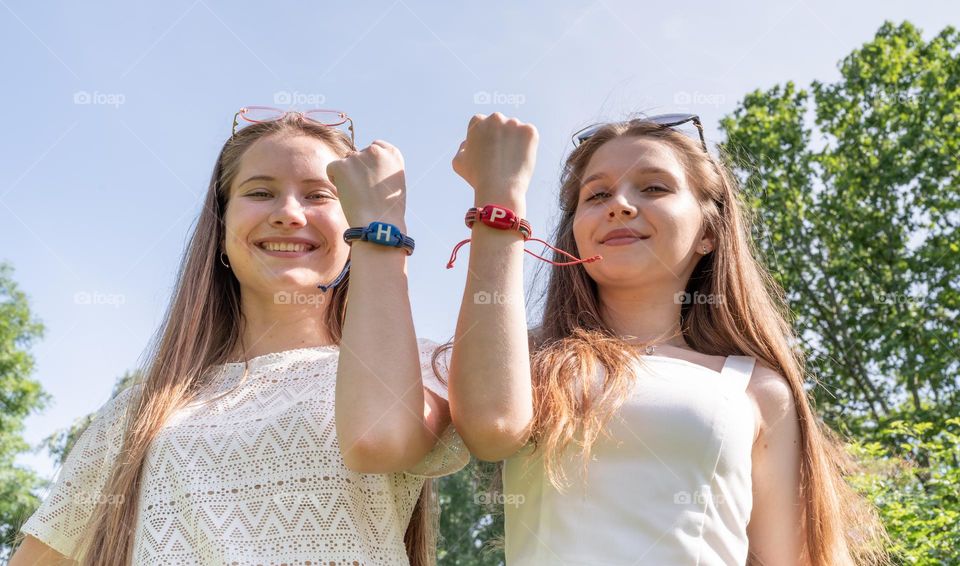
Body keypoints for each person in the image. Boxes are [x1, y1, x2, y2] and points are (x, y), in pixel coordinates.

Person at [11, 107, 466, 566]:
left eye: (319, 195)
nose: (289, 213)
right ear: (222, 226)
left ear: (355, 228)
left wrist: (383, 229)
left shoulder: (417, 368)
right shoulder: (139, 412)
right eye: (261, 192)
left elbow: (380, 436)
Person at [447, 112, 889, 565]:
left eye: (654, 187)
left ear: (709, 233)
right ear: (575, 234)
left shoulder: (755, 387)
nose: (619, 204)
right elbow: (492, 427)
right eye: (596, 194)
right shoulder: (529, 359)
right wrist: (499, 197)